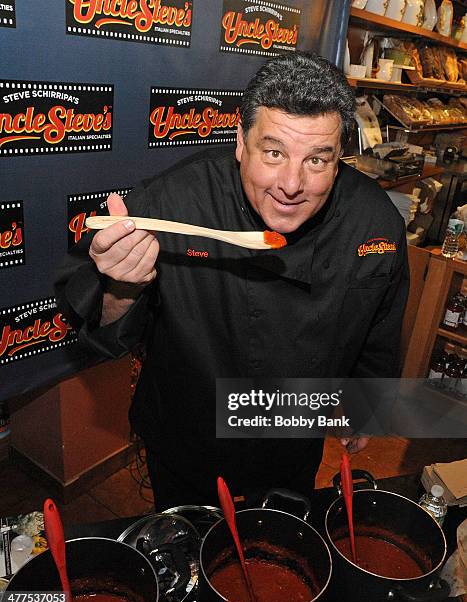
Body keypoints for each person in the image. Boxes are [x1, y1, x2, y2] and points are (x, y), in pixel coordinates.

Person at [55, 51, 409, 510]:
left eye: (317, 161)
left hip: (292, 440)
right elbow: (96, 326)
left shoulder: (373, 222)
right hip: (188, 437)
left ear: (339, 156)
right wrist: (121, 287)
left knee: (280, 553)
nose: (291, 183)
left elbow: (381, 325)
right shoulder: (174, 200)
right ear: (241, 141)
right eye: (274, 152)